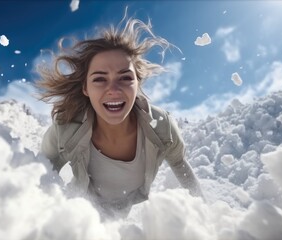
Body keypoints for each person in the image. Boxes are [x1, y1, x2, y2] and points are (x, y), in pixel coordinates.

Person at [38, 16, 203, 219]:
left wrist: (206, 218)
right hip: (79, 213)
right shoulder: (66, 128)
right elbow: (41, 171)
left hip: (123, 211)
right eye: (99, 79)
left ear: (137, 83)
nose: (113, 90)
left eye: (125, 78)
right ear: (85, 88)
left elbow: (179, 165)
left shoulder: (161, 127)